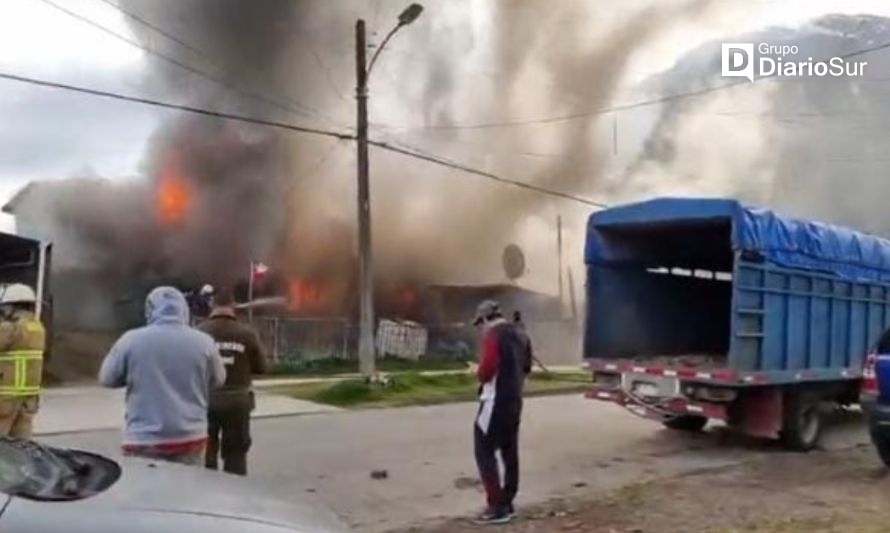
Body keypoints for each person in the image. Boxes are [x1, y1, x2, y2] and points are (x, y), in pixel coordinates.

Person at [99, 286, 226, 466]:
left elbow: (107, 378)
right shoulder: (204, 342)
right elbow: (219, 379)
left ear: (150, 309)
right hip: (190, 437)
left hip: (143, 438)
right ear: (184, 309)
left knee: (144, 492)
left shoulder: (131, 340)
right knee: (186, 491)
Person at [472, 300, 532, 525]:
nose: (481, 328)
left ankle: (496, 506)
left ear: (487, 318)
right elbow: (526, 367)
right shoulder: (520, 334)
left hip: (494, 402)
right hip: (515, 400)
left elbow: (486, 371)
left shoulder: (493, 335)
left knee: (483, 449)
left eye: (480, 323)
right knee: (509, 452)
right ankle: (507, 501)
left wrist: (476, 372)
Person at [198, 287, 268, 475]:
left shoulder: (199, 333)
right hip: (238, 402)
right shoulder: (247, 334)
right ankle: (235, 495)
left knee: (206, 451)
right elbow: (262, 368)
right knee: (236, 453)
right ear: (233, 306)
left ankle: (205, 493)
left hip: (206, 401)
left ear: (212, 305)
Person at [0, 284, 46, 439]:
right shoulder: (37, 327)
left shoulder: (10, 328)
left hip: (5, 398)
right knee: (23, 446)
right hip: (28, 398)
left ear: (13, 306)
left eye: (4, 307)